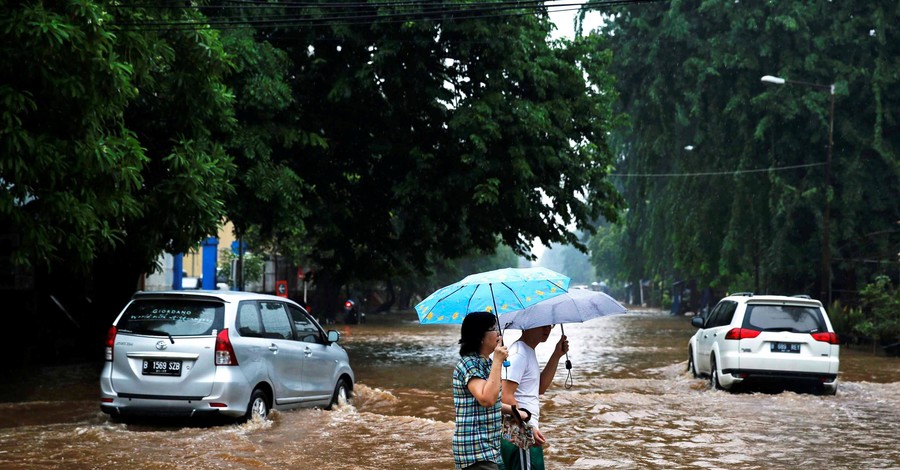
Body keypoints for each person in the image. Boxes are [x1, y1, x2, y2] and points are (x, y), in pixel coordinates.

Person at [500, 324, 569, 470]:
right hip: (520, 434)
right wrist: (528, 427)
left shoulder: (527, 351)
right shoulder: (519, 354)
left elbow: (539, 388)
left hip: (525, 432)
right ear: (526, 325)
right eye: (541, 325)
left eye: (549, 325)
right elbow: (506, 395)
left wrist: (557, 354)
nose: (547, 330)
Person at [453, 312, 513, 470]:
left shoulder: (487, 363)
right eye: (493, 328)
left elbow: (493, 402)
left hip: (488, 449)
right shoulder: (469, 364)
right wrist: (498, 361)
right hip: (475, 451)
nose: (498, 333)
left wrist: (514, 411)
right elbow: (487, 399)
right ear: (480, 336)